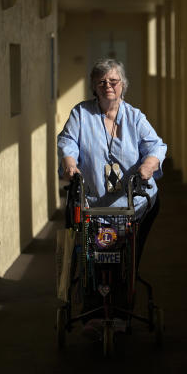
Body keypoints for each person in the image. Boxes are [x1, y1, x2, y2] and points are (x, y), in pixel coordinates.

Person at [57, 58, 167, 270]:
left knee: (128, 259)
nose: (108, 85)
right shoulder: (81, 113)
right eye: (102, 82)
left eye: (113, 81)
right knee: (96, 260)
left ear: (122, 85)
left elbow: (156, 146)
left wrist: (148, 166)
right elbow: (67, 141)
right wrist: (70, 165)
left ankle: (126, 290)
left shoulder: (135, 117)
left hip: (135, 204)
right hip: (94, 204)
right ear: (94, 87)